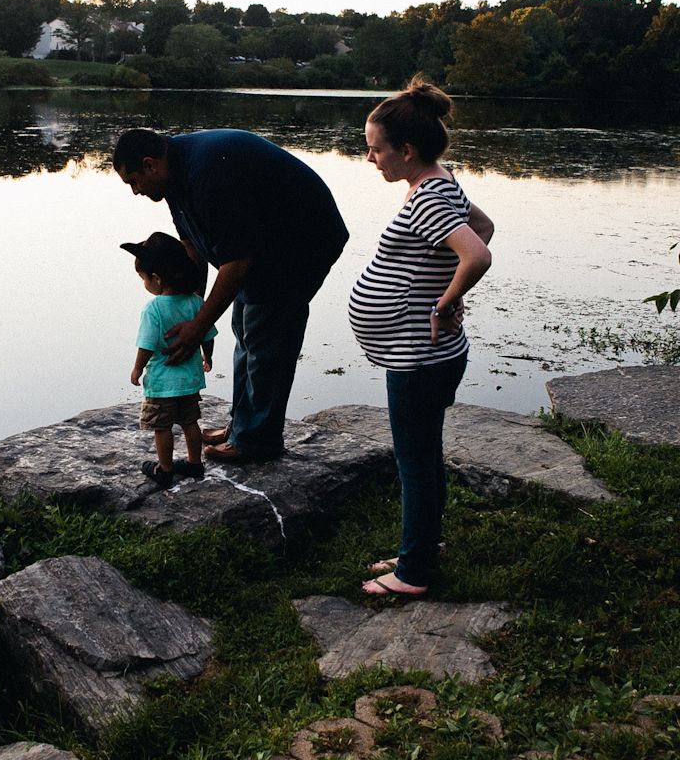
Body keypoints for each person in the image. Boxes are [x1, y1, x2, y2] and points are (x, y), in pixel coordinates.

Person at [113, 128, 348, 463]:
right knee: (243, 328)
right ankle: (243, 425)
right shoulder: (174, 180)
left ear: (149, 165)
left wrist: (198, 327)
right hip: (265, 241)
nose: (135, 191)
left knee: (267, 332)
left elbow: (236, 264)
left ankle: (257, 441)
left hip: (302, 240)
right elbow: (192, 250)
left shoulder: (207, 173)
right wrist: (190, 308)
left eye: (133, 181)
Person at [348, 77, 494, 597]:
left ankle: (413, 573)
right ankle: (422, 545)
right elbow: (485, 225)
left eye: (375, 150)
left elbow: (477, 253)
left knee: (414, 462)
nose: (370, 159)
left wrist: (447, 299)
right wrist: (441, 289)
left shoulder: (429, 197)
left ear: (405, 150)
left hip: (419, 357)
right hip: (426, 352)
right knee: (425, 455)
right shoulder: (439, 182)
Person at [122, 232, 217, 487]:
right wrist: (207, 357)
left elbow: (147, 345)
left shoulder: (153, 308)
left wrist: (137, 369)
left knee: (161, 428)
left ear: (156, 279)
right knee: (190, 422)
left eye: (143, 278)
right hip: (189, 380)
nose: (144, 283)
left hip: (162, 384)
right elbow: (207, 335)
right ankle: (195, 464)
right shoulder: (197, 302)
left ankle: (164, 469)